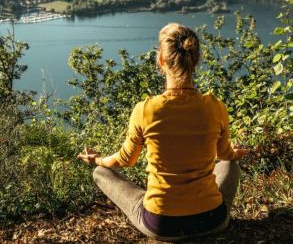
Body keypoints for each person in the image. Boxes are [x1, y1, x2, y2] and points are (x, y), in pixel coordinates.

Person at [78, 23, 249, 241]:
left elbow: (125, 159)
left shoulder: (146, 109)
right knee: (230, 164)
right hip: (212, 220)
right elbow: (225, 155)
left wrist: (98, 160)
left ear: (160, 60)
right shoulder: (214, 106)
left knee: (101, 172)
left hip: (161, 224)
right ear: (196, 60)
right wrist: (236, 154)